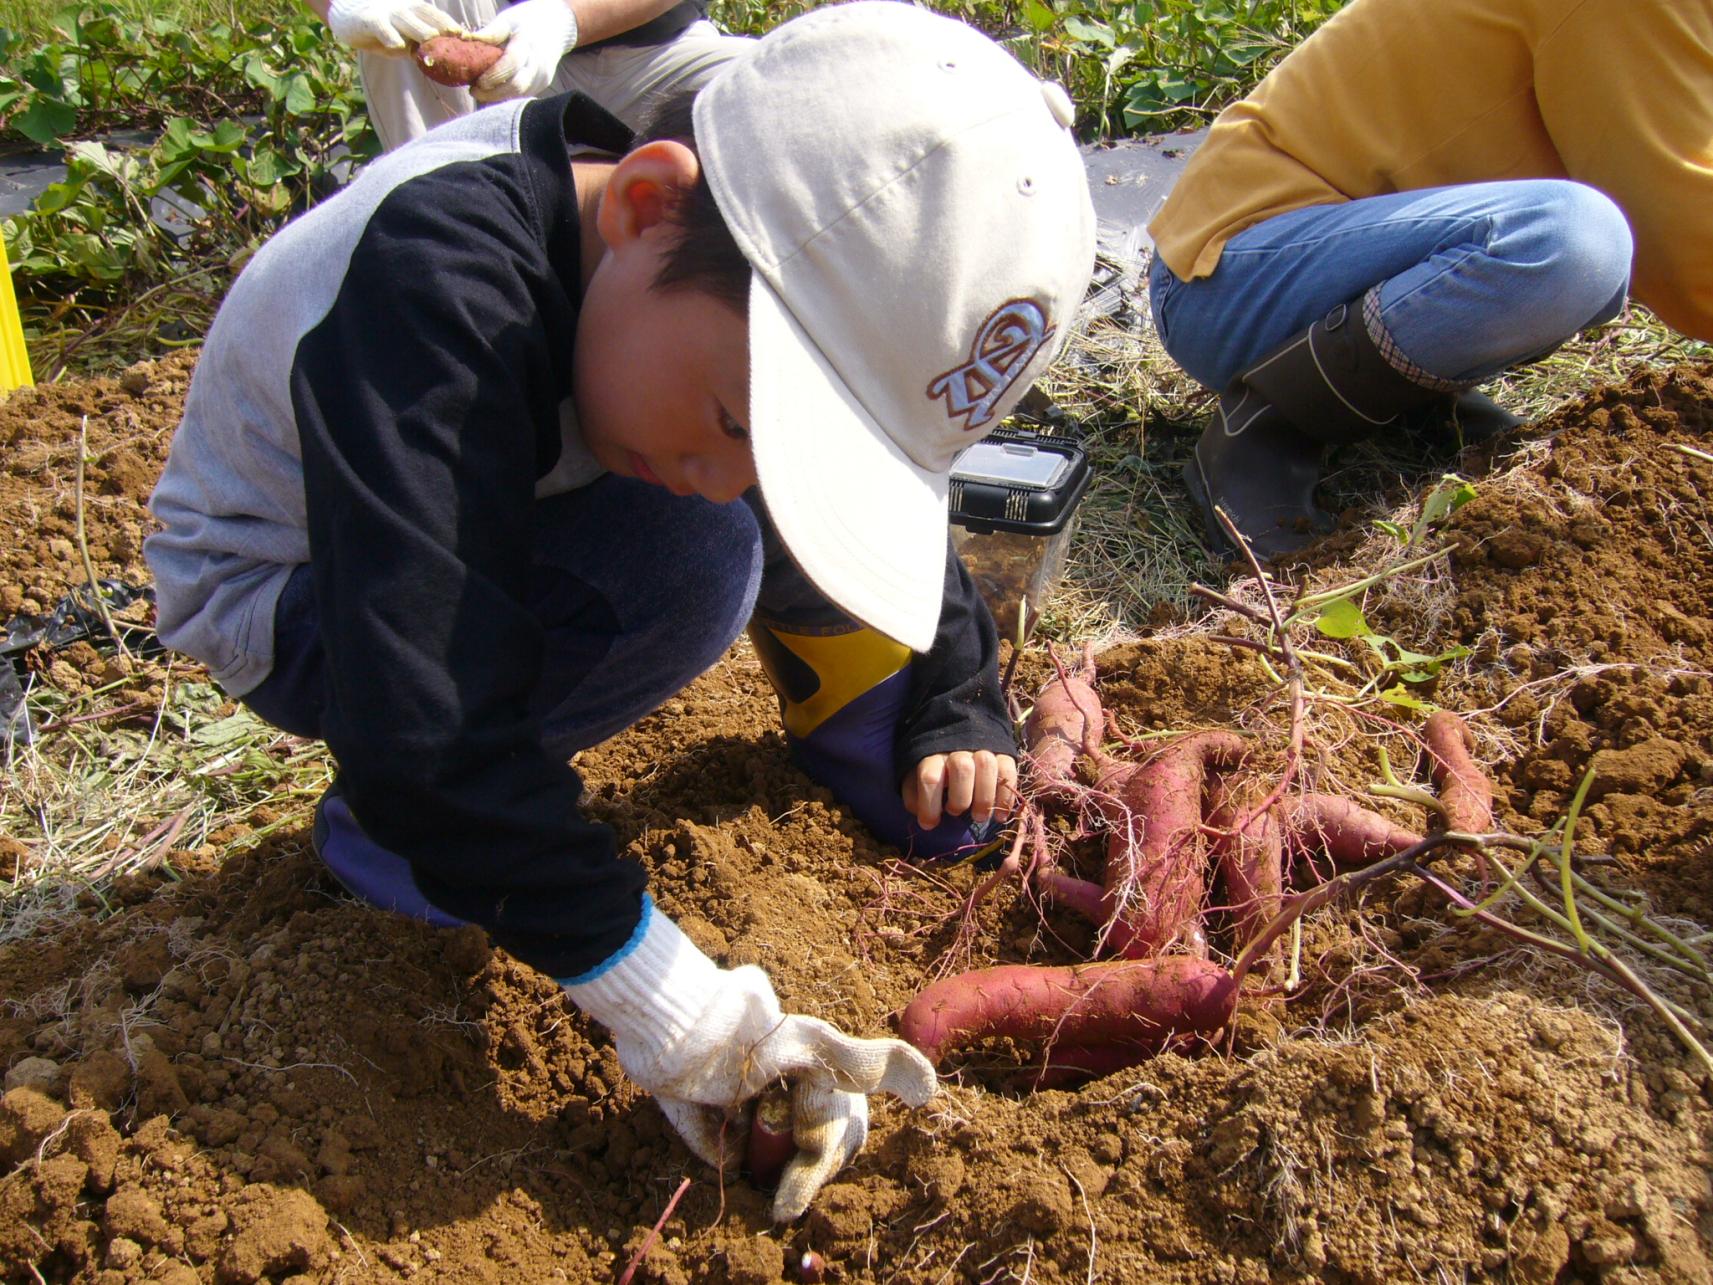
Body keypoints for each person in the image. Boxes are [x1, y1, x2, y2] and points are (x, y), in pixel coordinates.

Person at [145, 2, 1096, 1221]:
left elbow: (837, 463)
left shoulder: (667, 286)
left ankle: (681, 773)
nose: (733, 470)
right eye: (743, 423)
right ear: (647, 203)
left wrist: (958, 694)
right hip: (291, 588)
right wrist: (686, 1016)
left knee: (710, 521)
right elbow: (428, 699)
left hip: (492, 511)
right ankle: (400, 828)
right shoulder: (442, 280)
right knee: (688, 557)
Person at [1145, 0, 1713, 562]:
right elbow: (1680, 241)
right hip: (1226, 277)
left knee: (1580, 250)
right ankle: (1265, 425)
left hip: (1318, 261)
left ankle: (1409, 398)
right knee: (1576, 239)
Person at [309, 0, 750, 150]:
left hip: (661, 58)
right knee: (396, 15)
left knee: (782, 90)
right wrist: (346, 7)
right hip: (492, 42)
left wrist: (565, 20)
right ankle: (439, 225)